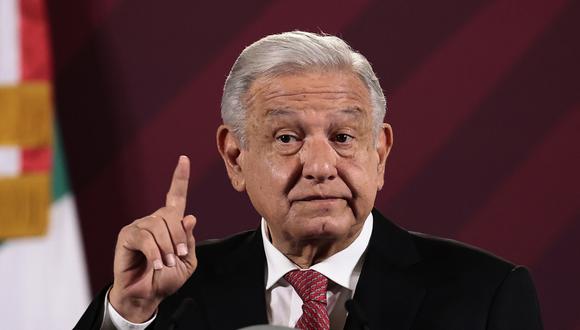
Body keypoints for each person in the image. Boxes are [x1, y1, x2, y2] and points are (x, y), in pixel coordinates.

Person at [75, 31, 543, 330]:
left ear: (379, 153)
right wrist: (130, 315)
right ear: (235, 156)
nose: (320, 166)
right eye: (286, 137)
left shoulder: (485, 296)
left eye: (342, 136)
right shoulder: (170, 295)